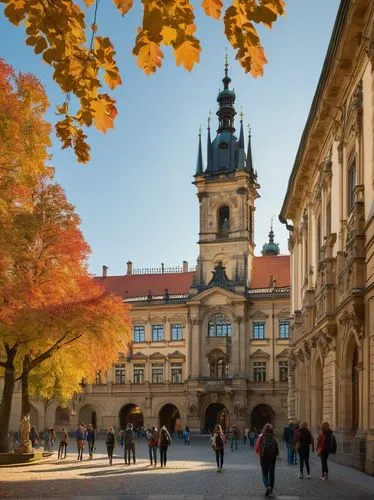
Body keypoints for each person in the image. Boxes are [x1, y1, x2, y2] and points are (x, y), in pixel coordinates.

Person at [255, 423, 279, 497]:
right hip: (272, 458)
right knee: (271, 473)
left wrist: (259, 452)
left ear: (264, 429)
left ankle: (267, 486)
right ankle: (271, 488)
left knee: (264, 473)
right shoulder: (273, 437)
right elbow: (277, 451)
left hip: (263, 457)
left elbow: (256, 449)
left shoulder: (261, 437)